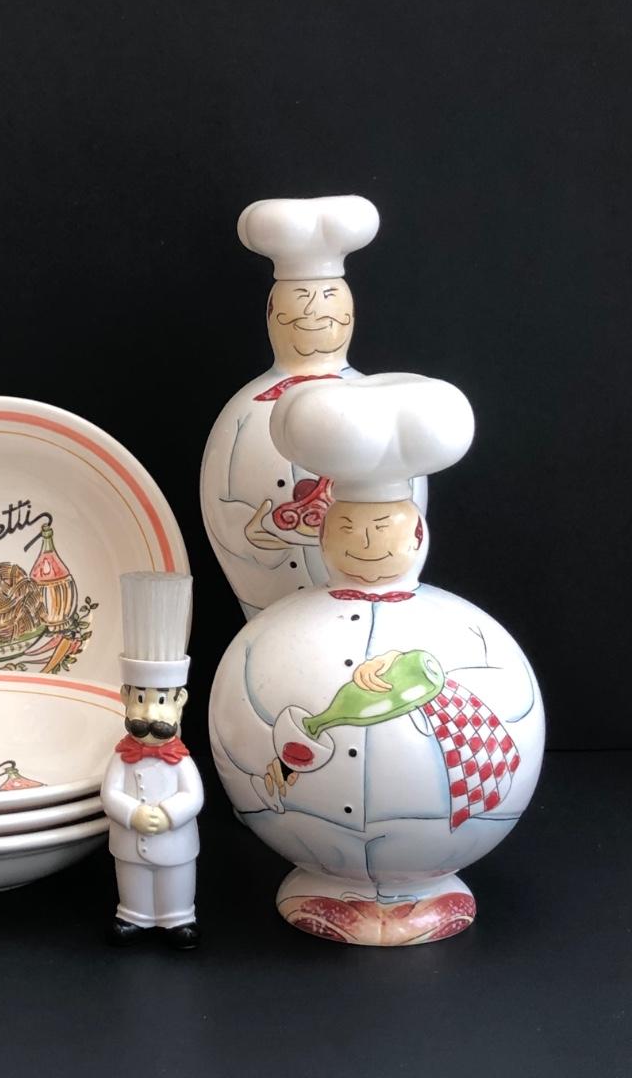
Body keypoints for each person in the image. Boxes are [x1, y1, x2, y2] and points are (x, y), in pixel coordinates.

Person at [208, 374, 544, 946]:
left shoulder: (467, 631)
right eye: (348, 527)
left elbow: (512, 702)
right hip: (316, 830)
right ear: (324, 534)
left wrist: (423, 679)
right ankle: (329, 883)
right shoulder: (270, 636)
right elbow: (243, 710)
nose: (364, 543)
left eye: (381, 528)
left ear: (416, 533)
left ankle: (419, 888)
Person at [200, 195, 426, 618]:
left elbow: (401, 514)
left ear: (349, 311)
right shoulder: (243, 412)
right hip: (262, 610)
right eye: (300, 298)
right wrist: (256, 533)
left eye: (328, 297)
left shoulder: (385, 409)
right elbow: (221, 503)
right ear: (273, 312)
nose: (312, 311)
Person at [102, 669, 203, 949]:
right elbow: (109, 794)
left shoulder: (181, 761)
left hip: (175, 843)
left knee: (176, 879)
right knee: (132, 878)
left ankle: (178, 917)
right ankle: (134, 914)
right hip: (128, 840)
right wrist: (132, 813)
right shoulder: (121, 758)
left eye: (160, 701)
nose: (149, 714)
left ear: (179, 702)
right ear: (125, 697)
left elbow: (193, 796)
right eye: (140, 700)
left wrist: (169, 814)